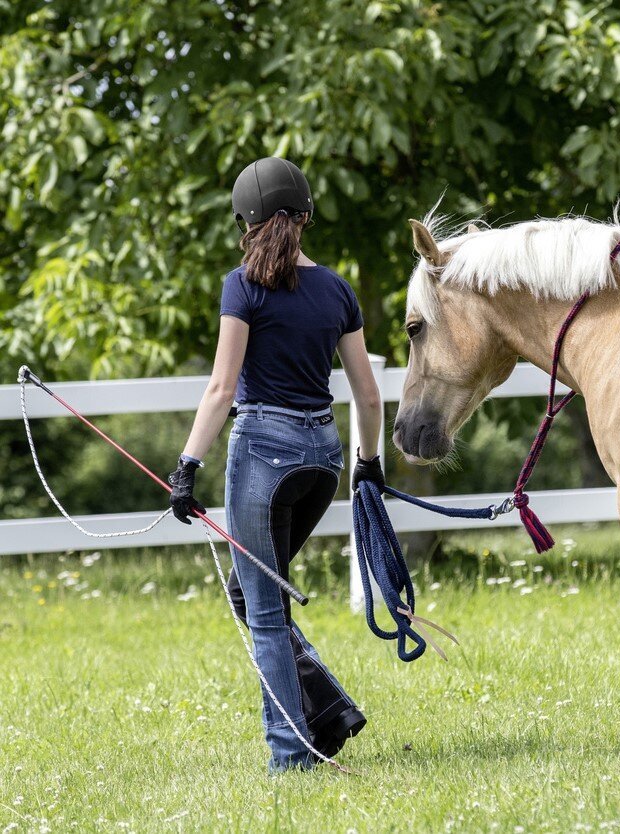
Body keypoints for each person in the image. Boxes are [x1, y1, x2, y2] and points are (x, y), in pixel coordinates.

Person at [166, 157, 386, 773]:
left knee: (263, 610)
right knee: (253, 590)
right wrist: (368, 466)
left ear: (246, 219)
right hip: (323, 459)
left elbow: (221, 386)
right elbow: (368, 395)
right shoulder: (339, 289)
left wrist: (187, 465)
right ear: (307, 214)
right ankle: (329, 708)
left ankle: (293, 756)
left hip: (262, 454)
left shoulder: (242, 285)